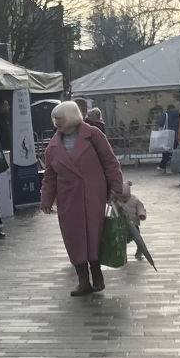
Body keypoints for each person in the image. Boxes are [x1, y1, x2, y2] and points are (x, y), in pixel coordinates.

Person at [40, 101, 124, 296]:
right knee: (73, 237)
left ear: (71, 116)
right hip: (68, 199)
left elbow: (110, 162)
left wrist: (116, 188)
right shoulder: (53, 145)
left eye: (59, 118)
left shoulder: (93, 135)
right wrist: (46, 200)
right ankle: (83, 280)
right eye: (54, 119)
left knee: (94, 234)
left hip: (92, 195)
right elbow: (50, 175)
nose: (56, 123)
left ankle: (97, 275)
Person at [117, 181, 147, 261]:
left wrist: (141, 214)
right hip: (121, 226)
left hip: (134, 225)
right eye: (121, 197)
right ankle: (122, 254)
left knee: (138, 239)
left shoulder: (135, 200)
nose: (123, 199)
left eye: (125, 197)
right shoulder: (116, 202)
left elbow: (140, 207)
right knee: (121, 241)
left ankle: (139, 251)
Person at [156, 104, 180, 172]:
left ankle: (162, 166)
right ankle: (176, 166)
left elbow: (160, 123)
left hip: (168, 136)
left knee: (166, 151)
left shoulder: (166, 114)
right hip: (176, 135)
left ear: (168, 109)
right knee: (175, 152)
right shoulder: (179, 115)